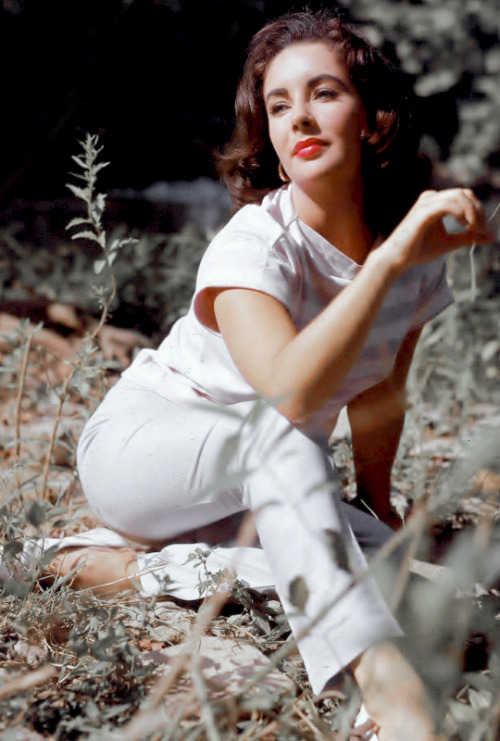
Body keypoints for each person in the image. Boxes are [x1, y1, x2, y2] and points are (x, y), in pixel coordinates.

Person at [46, 10, 493, 740]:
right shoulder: (256, 243)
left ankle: (102, 565)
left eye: (323, 94)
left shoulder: (404, 250)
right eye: (278, 106)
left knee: (394, 578)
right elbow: (291, 395)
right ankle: (383, 693)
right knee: (284, 444)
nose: (299, 118)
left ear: (374, 120)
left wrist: (377, 501)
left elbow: (380, 393)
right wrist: (386, 264)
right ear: (273, 145)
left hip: (269, 473)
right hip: (145, 449)